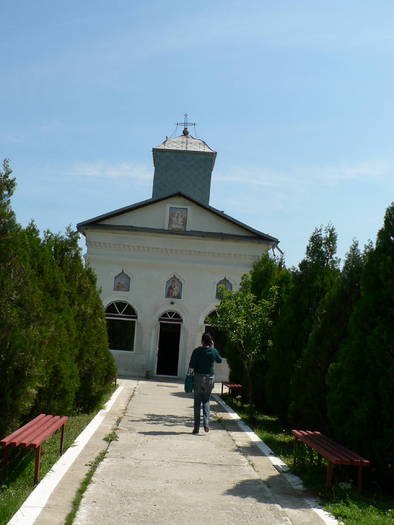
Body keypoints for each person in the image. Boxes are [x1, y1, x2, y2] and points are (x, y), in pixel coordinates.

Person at [188, 333, 222, 434]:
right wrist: (214, 347)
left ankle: (196, 427)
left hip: (198, 378)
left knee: (197, 403)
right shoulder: (213, 351)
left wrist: (188, 378)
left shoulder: (196, 351)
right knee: (206, 401)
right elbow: (219, 360)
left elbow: (191, 366)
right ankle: (206, 423)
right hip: (209, 379)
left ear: (202, 341)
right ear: (210, 342)